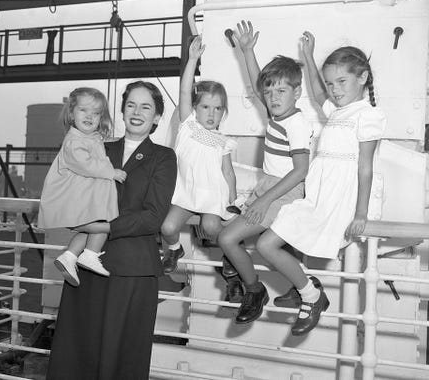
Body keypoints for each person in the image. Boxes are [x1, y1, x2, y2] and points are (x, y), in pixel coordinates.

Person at [255, 31, 387, 336]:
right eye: (331, 83)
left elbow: (365, 168)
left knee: (267, 243)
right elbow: (316, 94)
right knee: (266, 244)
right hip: (317, 195)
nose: (334, 90)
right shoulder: (338, 112)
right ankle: (309, 290)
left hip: (338, 201)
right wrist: (309, 57)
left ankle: (309, 295)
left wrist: (361, 214)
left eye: (341, 82)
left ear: (363, 78)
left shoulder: (368, 116)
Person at [46, 81, 177, 379]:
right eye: (131, 104)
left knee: (122, 361)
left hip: (132, 271)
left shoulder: (164, 157)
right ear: (121, 110)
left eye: (146, 107)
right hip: (86, 270)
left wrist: (100, 226)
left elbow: (153, 218)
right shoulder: (97, 146)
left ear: (157, 117)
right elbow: (71, 197)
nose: (137, 112)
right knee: (77, 355)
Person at [217, 20, 313, 315]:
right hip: (270, 185)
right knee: (225, 233)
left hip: (285, 189)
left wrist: (265, 199)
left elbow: (301, 171)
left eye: (281, 91)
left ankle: (259, 290)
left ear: (297, 92)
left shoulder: (296, 123)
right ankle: (259, 285)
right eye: (270, 93)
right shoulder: (278, 115)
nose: (272, 98)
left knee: (229, 238)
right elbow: (261, 85)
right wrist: (248, 51)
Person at [160, 35, 238, 274]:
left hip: (211, 196)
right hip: (186, 193)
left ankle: (231, 254)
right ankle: (174, 249)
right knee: (167, 227)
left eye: (218, 108)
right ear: (195, 108)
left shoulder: (222, 141)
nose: (211, 113)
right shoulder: (188, 126)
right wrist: (193, 59)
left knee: (211, 225)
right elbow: (184, 91)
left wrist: (232, 199)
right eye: (205, 107)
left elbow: (228, 171)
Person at [38, 87, 127, 287]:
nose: (90, 116)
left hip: (85, 198)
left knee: (91, 229)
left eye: (96, 113)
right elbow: (85, 164)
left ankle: (69, 256)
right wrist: (112, 173)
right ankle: (90, 255)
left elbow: (99, 150)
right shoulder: (74, 141)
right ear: (71, 113)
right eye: (83, 110)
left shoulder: (90, 137)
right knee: (104, 224)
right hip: (77, 198)